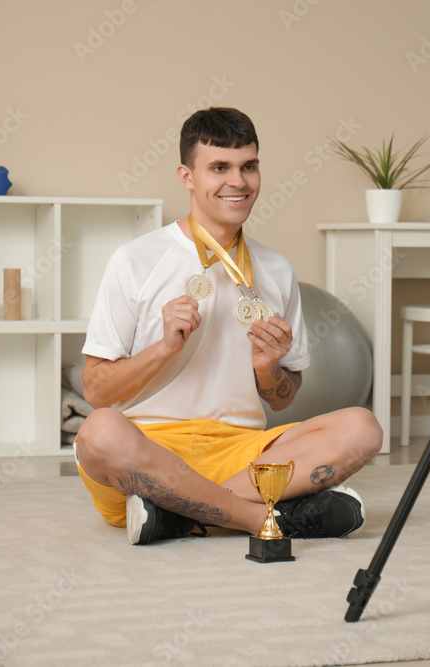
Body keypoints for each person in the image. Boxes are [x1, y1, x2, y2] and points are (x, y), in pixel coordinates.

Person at [75, 107, 382, 545]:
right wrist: (163, 348)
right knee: (99, 432)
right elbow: (96, 392)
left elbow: (282, 398)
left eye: (249, 167)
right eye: (219, 167)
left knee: (362, 427)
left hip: (241, 454)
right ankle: (260, 517)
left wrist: (267, 368)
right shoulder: (134, 260)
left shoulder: (276, 268)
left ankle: (179, 516)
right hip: (147, 454)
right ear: (187, 176)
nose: (238, 182)